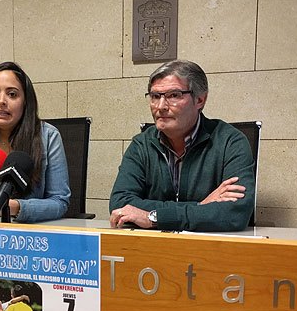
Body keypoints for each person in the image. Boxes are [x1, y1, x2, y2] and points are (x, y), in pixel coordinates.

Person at [109, 60, 255, 232]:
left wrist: (154, 217)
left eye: (173, 95)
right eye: (155, 96)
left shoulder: (230, 142)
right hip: (153, 244)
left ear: (200, 100)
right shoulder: (141, 144)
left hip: (210, 244)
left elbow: (236, 213)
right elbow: (120, 204)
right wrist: (201, 206)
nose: (161, 106)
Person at [0, 61, 71, 223]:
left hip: (28, 232)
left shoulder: (48, 136)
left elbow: (60, 202)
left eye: (12, 94)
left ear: (25, 101)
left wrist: (15, 207)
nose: (1, 101)